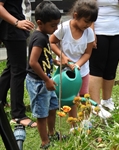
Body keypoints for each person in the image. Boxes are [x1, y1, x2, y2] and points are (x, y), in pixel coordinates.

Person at [49, 0, 99, 127]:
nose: (88, 25)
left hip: (82, 71)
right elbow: (52, 42)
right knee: (72, 98)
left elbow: (87, 53)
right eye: (86, 21)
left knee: (84, 96)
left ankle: (86, 121)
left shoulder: (89, 33)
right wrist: (63, 57)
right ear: (76, 16)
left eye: (91, 22)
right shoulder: (63, 28)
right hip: (64, 72)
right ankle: (74, 125)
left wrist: (77, 65)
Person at [89, 0, 119, 118]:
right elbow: (88, 8)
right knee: (96, 68)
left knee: (111, 67)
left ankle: (107, 100)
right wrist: (91, 32)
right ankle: (95, 104)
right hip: (99, 31)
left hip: (116, 32)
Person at [25, 1, 61, 149]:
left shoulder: (44, 35)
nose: (56, 28)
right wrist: (46, 80)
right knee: (42, 115)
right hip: (39, 83)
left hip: (46, 80)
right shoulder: (39, 38)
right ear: (40, 23)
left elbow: (43, 57)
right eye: (53, 25)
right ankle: (45, 142)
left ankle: (52, 133)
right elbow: (33, 62)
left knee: (52, 107)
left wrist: (55, 61)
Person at [0, 0, 37, 127]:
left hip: (14, 30)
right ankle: (18, 115)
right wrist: (17, 22)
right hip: (12, 31)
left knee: (12, 68)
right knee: (19, 71)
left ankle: (1, 99)